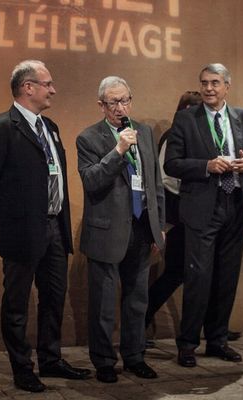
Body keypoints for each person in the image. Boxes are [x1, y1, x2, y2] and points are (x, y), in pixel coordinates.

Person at [0, 60, 90, 393]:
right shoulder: (0, 128)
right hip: (20, 233)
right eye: (47, 83)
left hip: (54, 228)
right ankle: (22, 368)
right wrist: (4, 220)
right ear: (28, 87)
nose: (53, 89)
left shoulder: (49, 126)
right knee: (17, 303)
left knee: (54, 298)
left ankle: (51, 360)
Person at [164, 64, 243, 367]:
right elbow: (172, 164)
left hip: (236, 205)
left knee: (226, 279)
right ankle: (188, 344)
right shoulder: (185, 119)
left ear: (227, 86)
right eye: (204, 83)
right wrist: (207, 166)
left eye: (215, 83)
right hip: (202, 208)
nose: (208, 88)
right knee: (199, 278)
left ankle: (217, 340)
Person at [76, 76, 165, 383]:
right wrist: (118, 151)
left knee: (137, 299)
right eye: (113, 102)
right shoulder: (88, 138)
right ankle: (103, 361)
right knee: (102, 303)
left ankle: (134, 356)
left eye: (125, 100)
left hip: (141, 228)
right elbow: (91, 181)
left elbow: (155, 183)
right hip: (106, 231)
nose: (120, 107)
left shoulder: (146, 133)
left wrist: (159, 226)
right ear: (102, 106)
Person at [145, 91, 241, 347]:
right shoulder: (174, 136)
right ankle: (140, 322)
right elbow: (167, 179)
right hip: (180, 219)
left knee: (206, 273)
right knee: (176, 273)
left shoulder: (206, 137)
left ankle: (213, 329)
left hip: (203, 215)